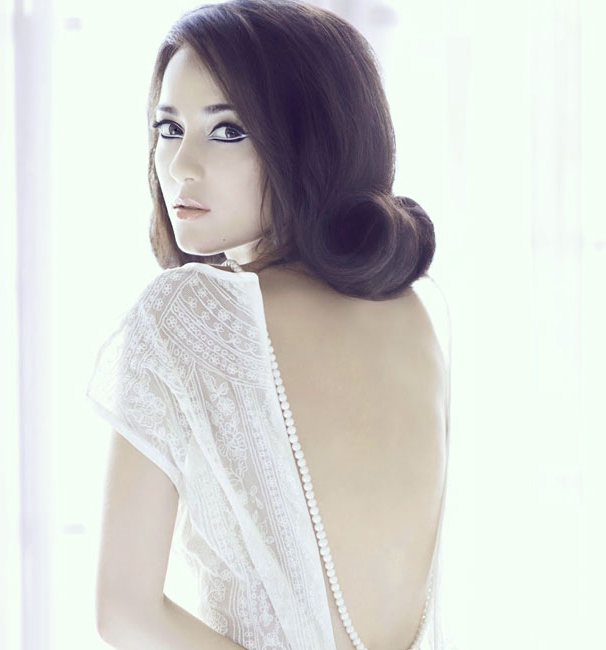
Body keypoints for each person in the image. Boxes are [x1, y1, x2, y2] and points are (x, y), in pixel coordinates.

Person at [86, 1, 452, 649]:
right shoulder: (412, 312)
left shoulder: (189, 311)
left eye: (228, 130)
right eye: (169, 128)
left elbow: (123, 612)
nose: (181, 165)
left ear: (310, 141)